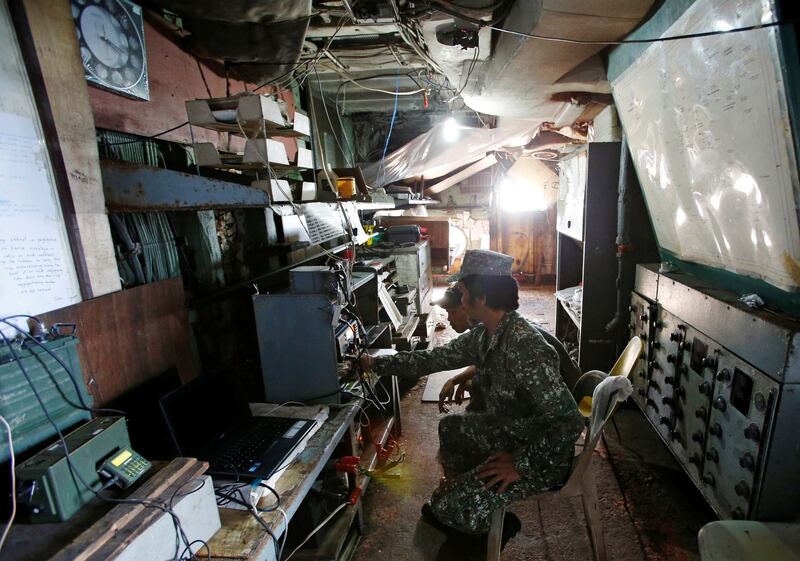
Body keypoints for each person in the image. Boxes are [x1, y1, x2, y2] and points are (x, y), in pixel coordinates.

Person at [361, 249, 584, 543]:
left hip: (540, 457)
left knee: (441, 508)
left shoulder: (524, 347)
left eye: (463, 292)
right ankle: (469, 497)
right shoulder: (487, 334)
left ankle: (483, 515)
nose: (459, 299)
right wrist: (374, 363)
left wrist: (520, 464)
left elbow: (569, 421)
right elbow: (432, 360)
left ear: (481, 298)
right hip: (513, 431)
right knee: (450, 429)